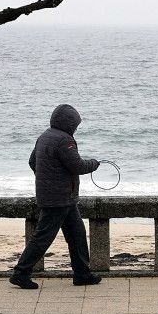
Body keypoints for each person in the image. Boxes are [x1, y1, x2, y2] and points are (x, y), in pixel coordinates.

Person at [10, 104, 103, 289]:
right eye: (75, 124)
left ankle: (82, 274)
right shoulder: (65, 141)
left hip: (62, 198)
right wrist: (94, 163)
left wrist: (47, 180)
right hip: (59, 199)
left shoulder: (45, 136)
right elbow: (77, 166)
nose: (76, 128)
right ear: (69, 124)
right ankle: (20, 273)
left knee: (77, 234)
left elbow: (32, 162)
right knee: (43, 237)